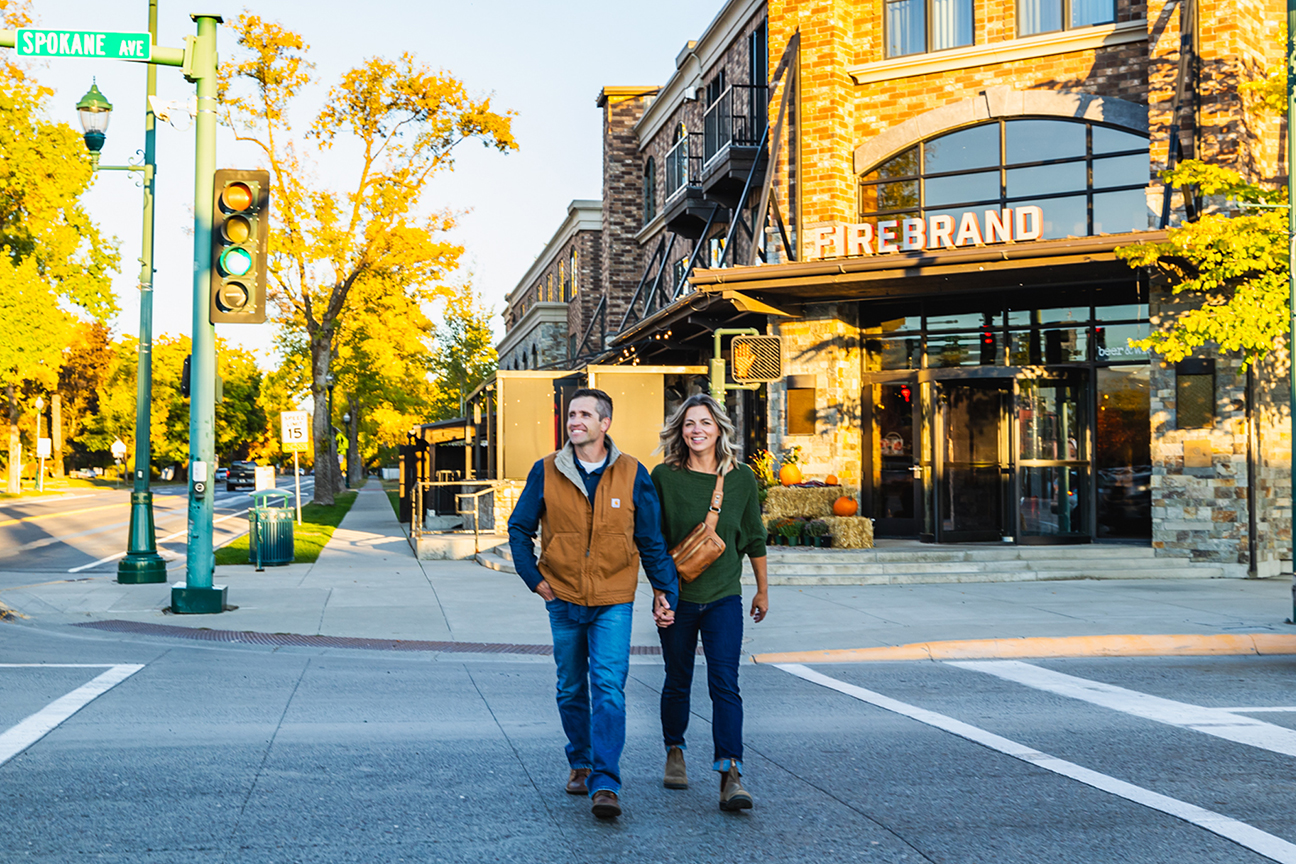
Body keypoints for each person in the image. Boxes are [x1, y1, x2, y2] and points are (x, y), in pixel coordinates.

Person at [508, 388, 678, 820]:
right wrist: (536, 580)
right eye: (571, 414)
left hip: (614, 599)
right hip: (562, 597)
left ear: (606, 423)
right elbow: (519, 528)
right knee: (570, 688)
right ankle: (580, 762)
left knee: (608, 688)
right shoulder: (546, 470)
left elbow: (651, 539)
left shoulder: (631, 472)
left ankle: (605, 782)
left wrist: (664, 589)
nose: (574, 420)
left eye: (584, 414)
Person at [651, 393, 768, 811]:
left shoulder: (742, 479)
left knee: (725, 684)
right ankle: (675, 751)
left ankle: (730, 772)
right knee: (677, 678)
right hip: (679, 598)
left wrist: (762, 589)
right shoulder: (664, 477)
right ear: (679, 432)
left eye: (703, 422)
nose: (696, 430)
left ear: (719, 428)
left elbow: (754, 536)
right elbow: (655, 541)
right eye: (688, 424)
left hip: (724, 597)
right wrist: (658, 593)